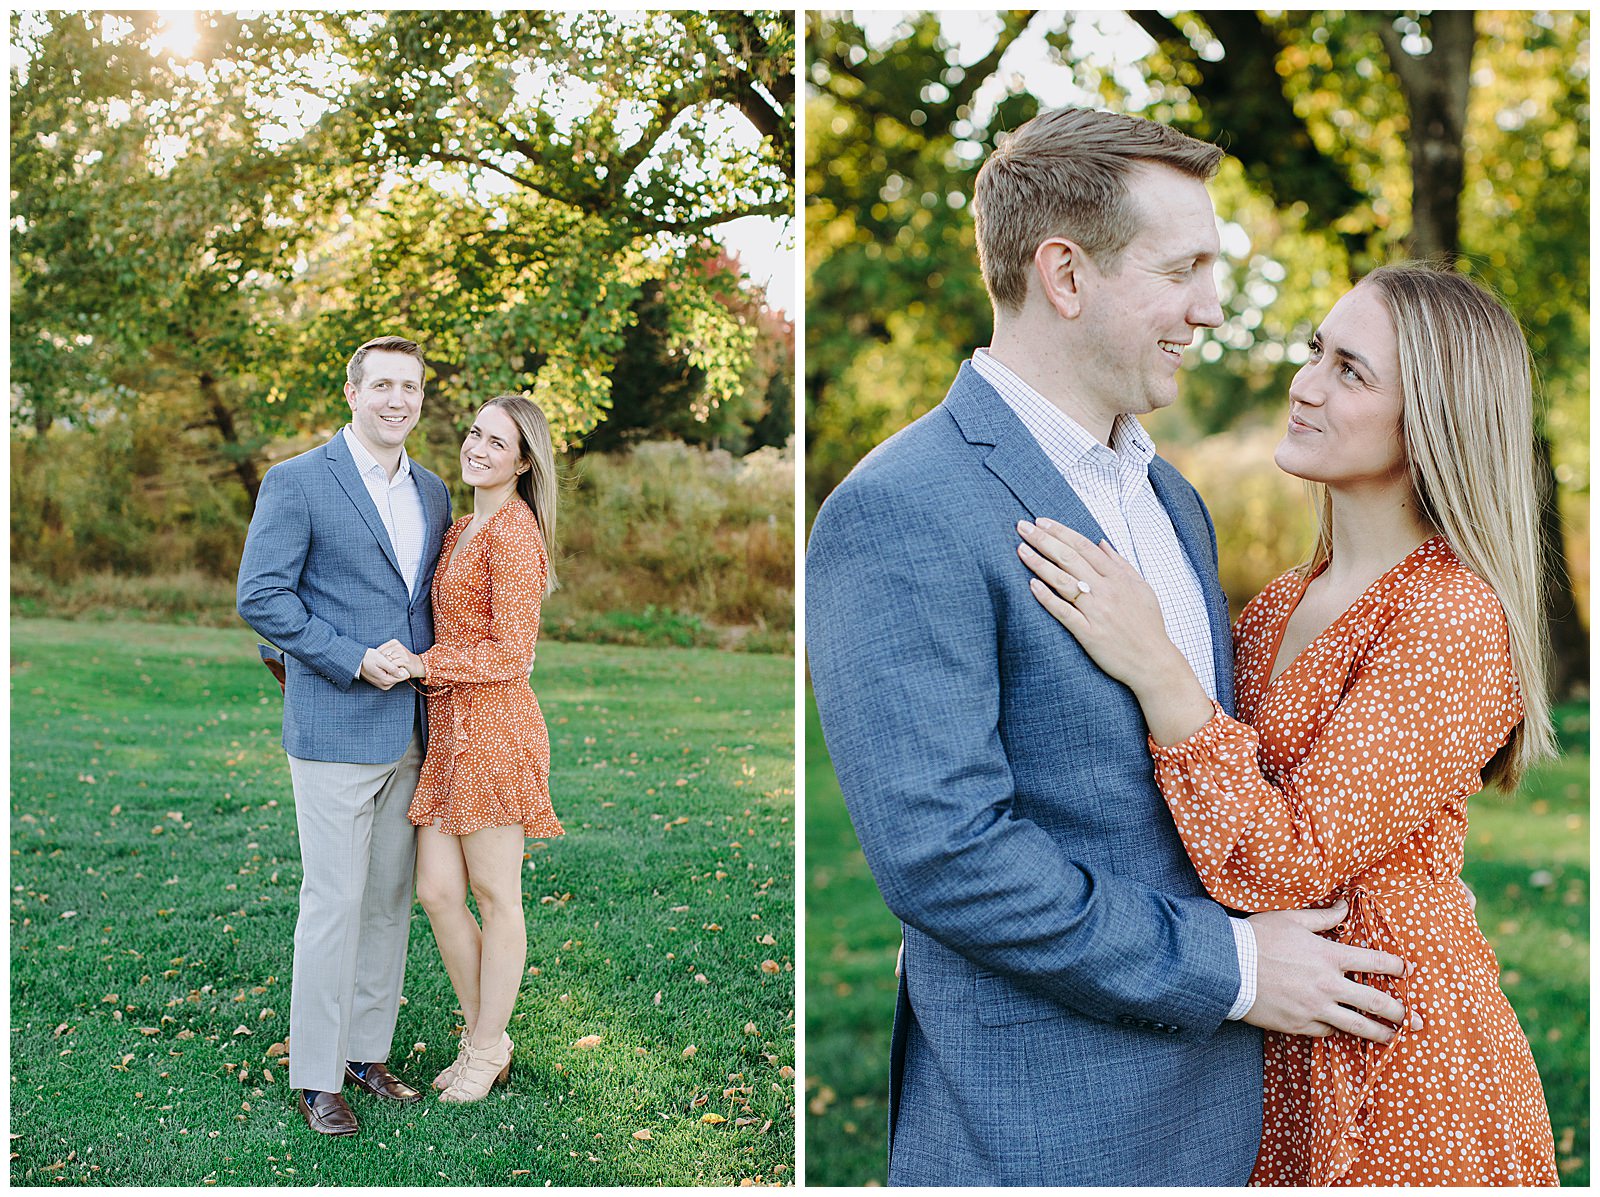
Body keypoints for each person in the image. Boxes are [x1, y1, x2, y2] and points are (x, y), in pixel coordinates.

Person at [806, 106, 1414, 1187]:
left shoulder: (1172, 498)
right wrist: (1229, 968)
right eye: (1184, 268)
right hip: (1048, 1128)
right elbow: (944, 855)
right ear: (1066, 275)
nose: (1211, 308)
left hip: (1238, 1115)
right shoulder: (902, 507)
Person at [1017, 262, 1559, 1185]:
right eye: (1317, 351)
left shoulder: (1453, 617)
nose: (1305, 383)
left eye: (1352, 370)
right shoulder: (1274, 608)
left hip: (1397, 1050)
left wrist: (1159, 666)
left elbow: (1290, 857)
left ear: (1430, 420)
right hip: (1272, 1036)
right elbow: (1203, 817)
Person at [237, 335, 454, 1136]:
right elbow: (262, 596)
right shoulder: (297, 481)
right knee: (333, 900)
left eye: (412, 387)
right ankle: (317, 1073)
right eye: (384, 385)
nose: (398, 399)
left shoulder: (432, 492)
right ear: (353, 392)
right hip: (332, 724)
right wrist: (352, 658)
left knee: (390, 898)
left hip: (410, 729)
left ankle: (367, 1053)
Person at [374, 394, 564, 1103]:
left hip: (494, 728)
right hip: (449, 728)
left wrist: (423, 662)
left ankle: (483, 1049)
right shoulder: (458, 528)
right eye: (475, 433)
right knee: (438, 891)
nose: (478, 448)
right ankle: (489, 1035)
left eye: (498, 442)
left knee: (495, 895)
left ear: (522, 461)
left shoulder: (514, 534)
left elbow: (514, 653)